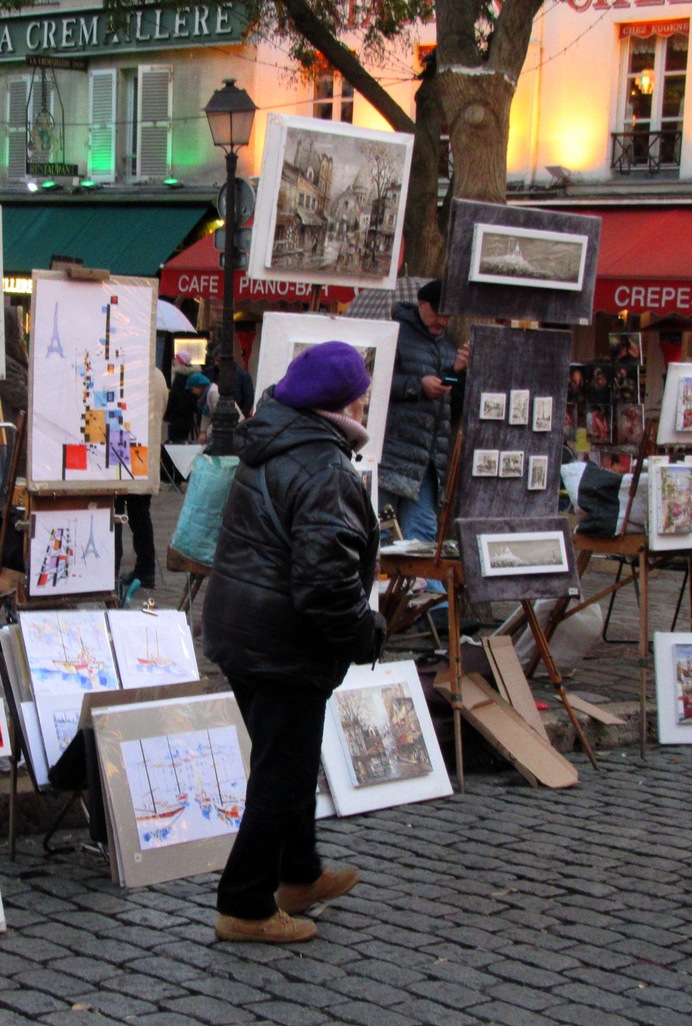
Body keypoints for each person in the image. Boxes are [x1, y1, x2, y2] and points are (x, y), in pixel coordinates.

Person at [202, 341, 384, 943]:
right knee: (281, 771)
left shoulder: (277, 439)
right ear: (340, 401)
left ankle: (298, 872)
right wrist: (366, 631)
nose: (366, 398)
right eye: (361, 389)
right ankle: (246, 904)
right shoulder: (322, 467)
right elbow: (327, 584)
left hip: (248, 629)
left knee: (290, 759)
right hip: (280, 640)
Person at [378, 280, 466, 546]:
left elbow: (449, 398)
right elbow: (376, 381)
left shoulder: (449, 346)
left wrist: (457, 373)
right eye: (437, 312)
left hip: (427, 460)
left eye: (448, 315)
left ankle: (421, 588)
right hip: (391, 451)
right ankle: (378, 588)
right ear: (421, 304)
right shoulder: (394, 335)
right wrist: (417, 386)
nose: (442, 320)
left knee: (422, 535)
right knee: (381, 529)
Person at [118, 366, 168, 589]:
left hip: (124, 451)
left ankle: (111, 571)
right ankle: (146, 570)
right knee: (140, 516)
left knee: (115, 513)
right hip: (144, 453)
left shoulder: (128, 371)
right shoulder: (157, 374)